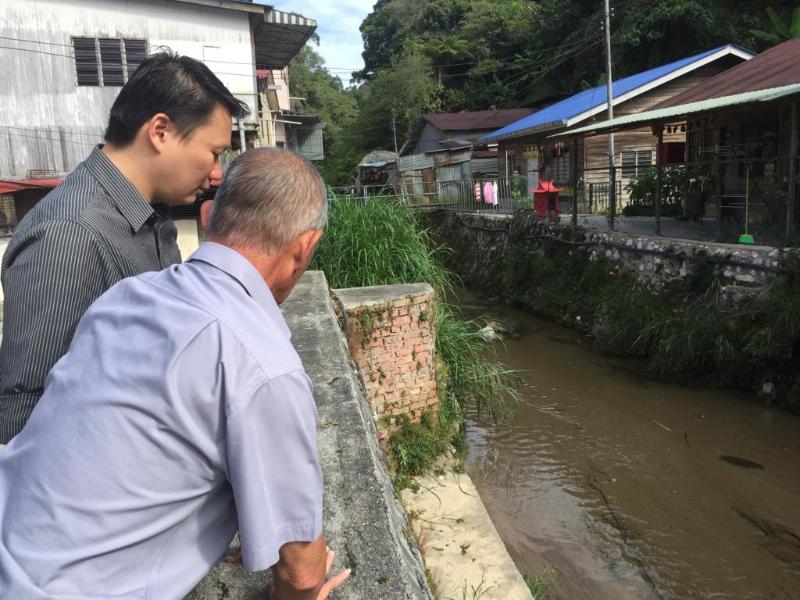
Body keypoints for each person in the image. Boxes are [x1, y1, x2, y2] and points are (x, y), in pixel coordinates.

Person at [0, 148, 350, 599]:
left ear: (208, 217)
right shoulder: (262, 364)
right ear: (305, 247)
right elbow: (302, 571)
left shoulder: (127, 296)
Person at [0, 51, 248, 443]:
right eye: (214, 152)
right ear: (160, 131)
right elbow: (26, 408)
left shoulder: (149, 217)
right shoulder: (70, 235)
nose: (216, 171)